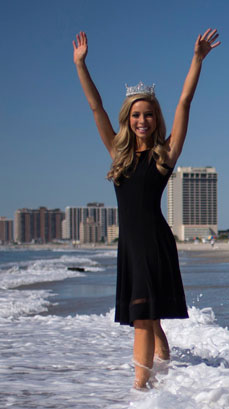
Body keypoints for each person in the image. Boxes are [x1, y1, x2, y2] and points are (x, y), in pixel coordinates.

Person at [73, 28, 220, 389]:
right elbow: (96, 106)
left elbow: (184, 103)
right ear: (128, 119)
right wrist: (80, 65)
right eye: (136, 115)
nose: (142, 120)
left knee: (142, 317)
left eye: (149, 115)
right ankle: (166, 379)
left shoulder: (165, 155)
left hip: (154, 244)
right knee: (150, 320)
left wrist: (197, 60)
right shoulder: (118, 154)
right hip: (130, 247)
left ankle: (140, 392)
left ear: (156, 120)